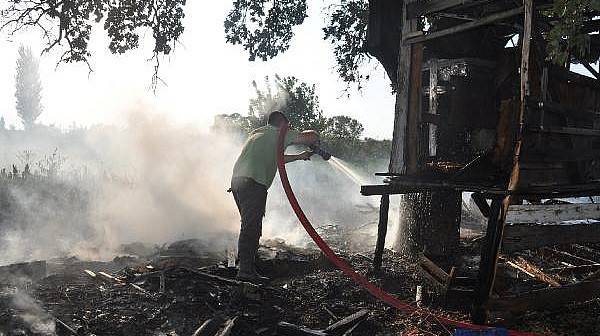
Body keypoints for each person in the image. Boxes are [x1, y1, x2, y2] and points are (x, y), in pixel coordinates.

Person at [230, 111, 319, 283]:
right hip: (254, 183)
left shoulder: (258, 133)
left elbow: (277, 158)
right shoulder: (281, 133)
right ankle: (246, 271)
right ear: (283, 124)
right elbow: (310, 136)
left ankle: (246, 264)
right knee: (251, 228)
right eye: (288, 125)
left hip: (237, 182)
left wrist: (300, 156)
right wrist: (315, 140)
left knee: (249, 225)